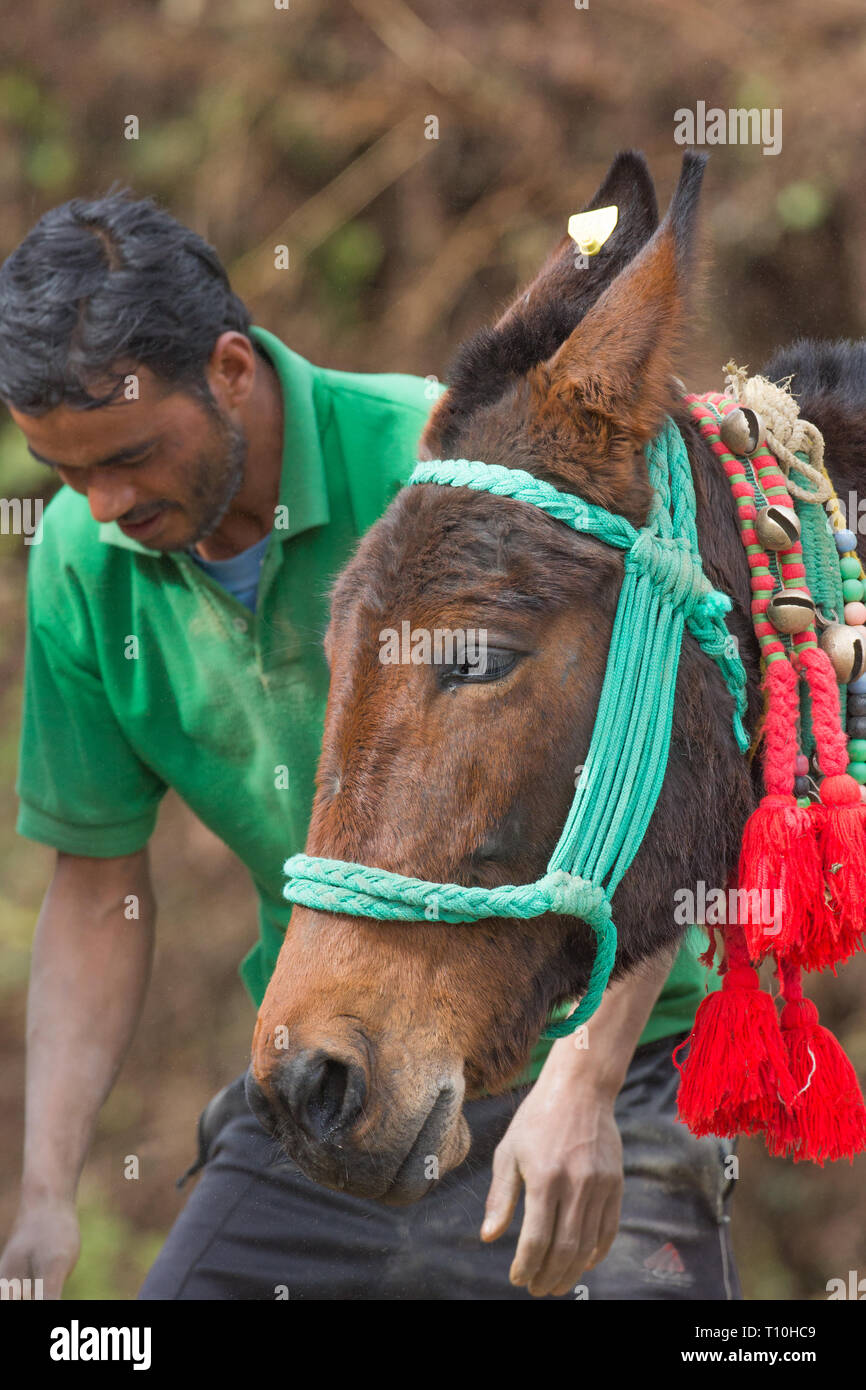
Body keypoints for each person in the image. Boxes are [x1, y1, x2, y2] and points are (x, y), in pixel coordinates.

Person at [0, 191, 739, 1300]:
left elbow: (656, 755)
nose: (105, 502)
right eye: (68, 473)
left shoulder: (461, 467)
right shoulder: (81, 560)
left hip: (600, 1074)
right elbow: (100, 891)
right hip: (336, 1076)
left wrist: (583, 1085)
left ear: (233, 369)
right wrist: (47, 1190)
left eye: (132, 456)